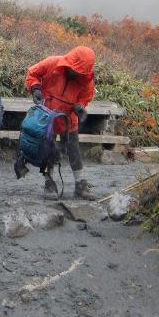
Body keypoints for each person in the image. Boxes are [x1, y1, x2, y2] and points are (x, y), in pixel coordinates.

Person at [25, 45, 97, 200]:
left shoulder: (86, 80)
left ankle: (80, 185)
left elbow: (85, 96)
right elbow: (33, 73)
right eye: (74, 70)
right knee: (46, 150)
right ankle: (49, 184)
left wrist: (80, 106)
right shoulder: (52, 63)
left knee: (74, 151)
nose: (76, 73)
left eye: (80, 72)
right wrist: (36, 89)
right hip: (47, 117)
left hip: (69, 118)